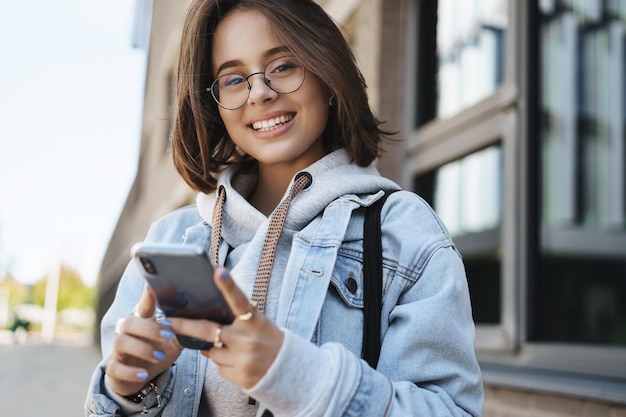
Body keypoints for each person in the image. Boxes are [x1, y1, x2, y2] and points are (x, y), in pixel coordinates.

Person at [85, 0, 484, 415]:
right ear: (216, 104)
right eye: (235, 78)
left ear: (327, 74)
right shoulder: (170, 238)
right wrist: (127, 391)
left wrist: (293, 374)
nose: (260, 92)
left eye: (283, 66)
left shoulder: (404, 232)